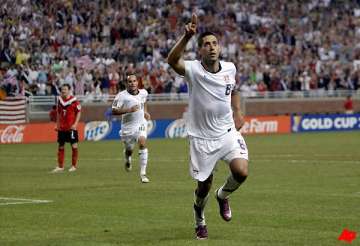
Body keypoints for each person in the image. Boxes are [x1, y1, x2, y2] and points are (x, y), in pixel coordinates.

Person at [167, 14, 249, 240]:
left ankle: (222, 196)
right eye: (206, 44)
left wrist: (238, 111)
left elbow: (234, 90)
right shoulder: (193, 69)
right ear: (200, 50)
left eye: (214, 43)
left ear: (219, 47)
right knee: (203, 187)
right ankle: (199, 217)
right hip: (202, 139)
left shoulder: (230, 68)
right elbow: (172, 61)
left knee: (241, 171)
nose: (211, 47)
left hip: (227, 132)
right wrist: (186, 37)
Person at [112, 74, 151, 183]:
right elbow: (114, 111)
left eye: (134, 81)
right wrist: (129, 110)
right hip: (127, 127)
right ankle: (127, 158)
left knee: (142, 143)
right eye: (130, 82)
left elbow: (144, 101)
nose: (132, 83)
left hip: (140, 123)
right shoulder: (121, 96)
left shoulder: (143, 92)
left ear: (137, 82)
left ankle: (143, 174)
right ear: (126, 84)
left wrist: (146, 112)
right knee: (129, 150)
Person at [52, 84, 81, 173]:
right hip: (62, 128)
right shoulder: (59, 100)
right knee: (61, 146)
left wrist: (75, 124)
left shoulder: (74, 101)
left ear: (69, 90)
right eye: (62, 89)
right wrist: (57, 124)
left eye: (65, 89)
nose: (63, 91)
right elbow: (58, 113)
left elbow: (79, 112)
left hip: (71, 128)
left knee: (74, 146)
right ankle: (60, 166)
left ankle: (73, 166)